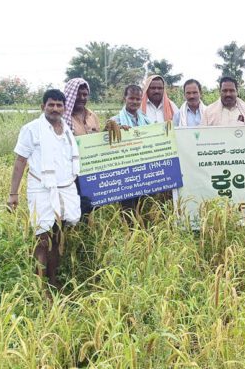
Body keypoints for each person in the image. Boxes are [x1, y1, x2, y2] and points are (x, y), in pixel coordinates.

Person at [8, 89, 81, 289]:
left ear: (64, 108)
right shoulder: (31, 129)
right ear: (43, 107)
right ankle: (40, 287)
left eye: (59, 105)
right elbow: (20, 161)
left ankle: (53, 282)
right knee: (42, 239)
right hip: (41, 190)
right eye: (51, 104)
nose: (55, 108)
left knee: (58, 238)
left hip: (65, 190)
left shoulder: (67, 131)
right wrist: (13, 194)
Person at [105, 84, 151, 222]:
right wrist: (113, 129)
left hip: (143, 169)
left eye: (138, 99)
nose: (135, 102)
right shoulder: (115, 120)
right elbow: (104, 142)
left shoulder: (146, 120)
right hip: (125, 172)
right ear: (125, 98)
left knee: (143, 205)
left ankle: (142, 234)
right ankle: (129, 234)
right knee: (127, 207)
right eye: (131, 98)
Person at [63, 78, 100, 216]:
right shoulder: (62, 118)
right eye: (78, 94)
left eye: (85, 95)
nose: (82, 98)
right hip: (71, 172)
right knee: (73, 206)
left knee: (91, 205)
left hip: (91, 169)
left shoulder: (92, 116)